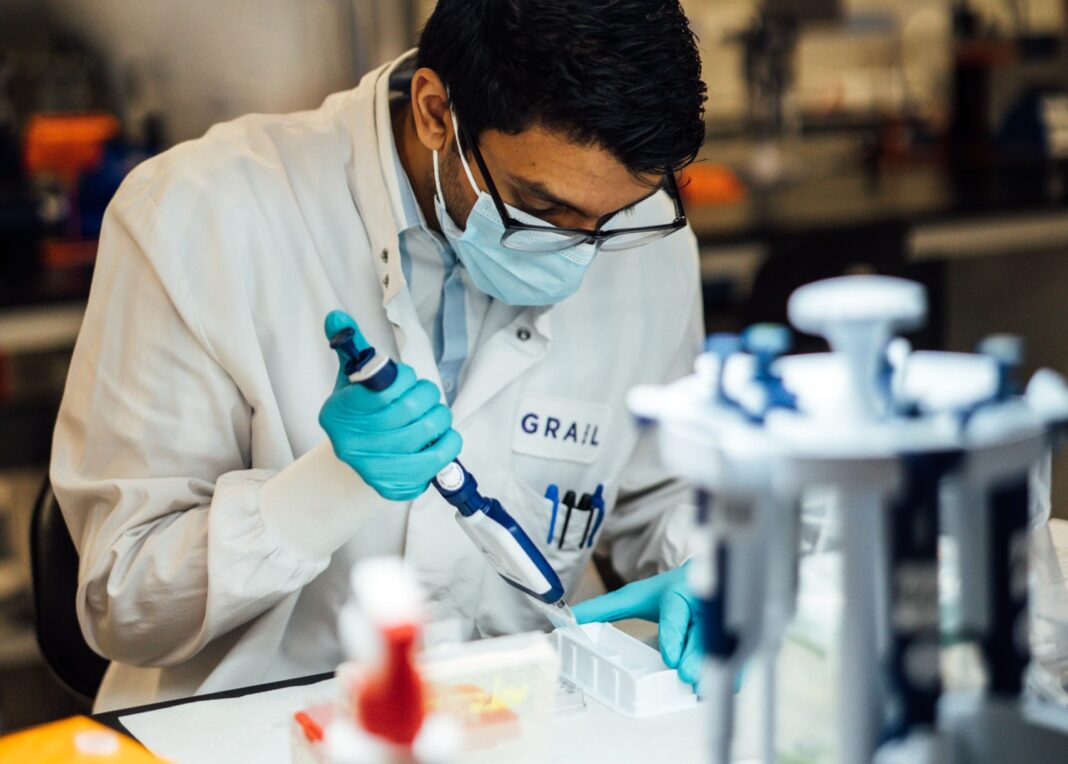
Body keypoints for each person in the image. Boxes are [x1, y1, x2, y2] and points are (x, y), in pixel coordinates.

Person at [51, 0, 709, 711]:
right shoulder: (199, 215)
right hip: (251, 735)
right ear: (435, 112)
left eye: (608, 219)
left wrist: (713, 567)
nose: (580, 248)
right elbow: (125, 602)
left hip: (520, 718)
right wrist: (325, 489)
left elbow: (666, 489)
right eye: (540, 208)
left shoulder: (645, 235)